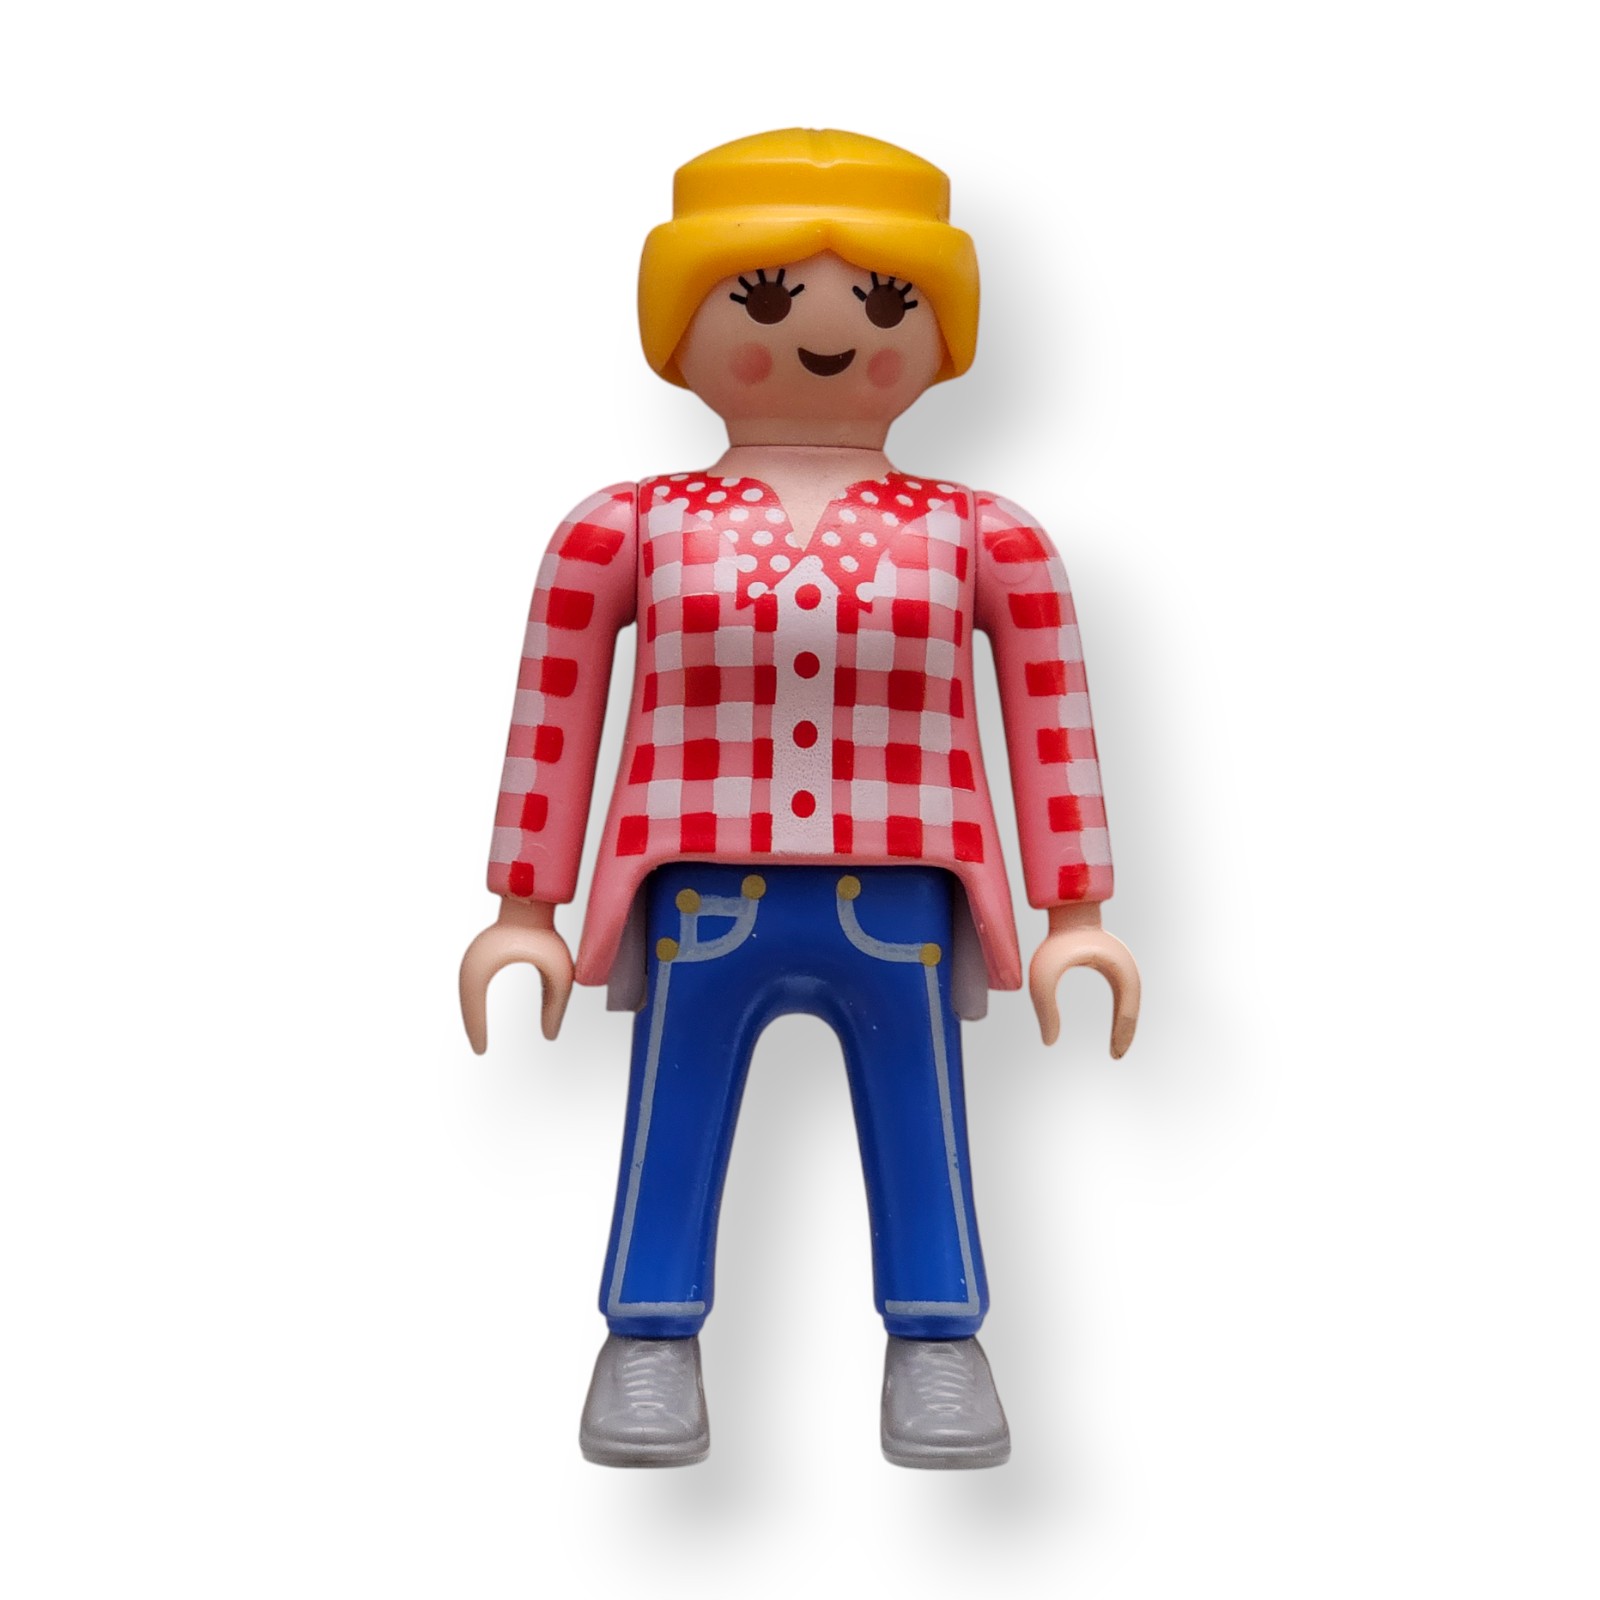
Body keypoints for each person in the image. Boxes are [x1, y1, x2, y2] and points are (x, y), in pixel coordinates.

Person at [459, 128, 1140, 1468]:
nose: (826, 337)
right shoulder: (628, 525)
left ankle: (939, 1342)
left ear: (942, 333)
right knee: (675, 1109)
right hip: (701, 890)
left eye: (885, 302)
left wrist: (1078, 912)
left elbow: (1052, 719)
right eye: (762, 298)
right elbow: (554, 712)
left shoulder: (982, 534)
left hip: (904, 893)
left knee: (921, 1113)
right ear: (681, 325)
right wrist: (523, 906)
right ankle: (649, 1336)